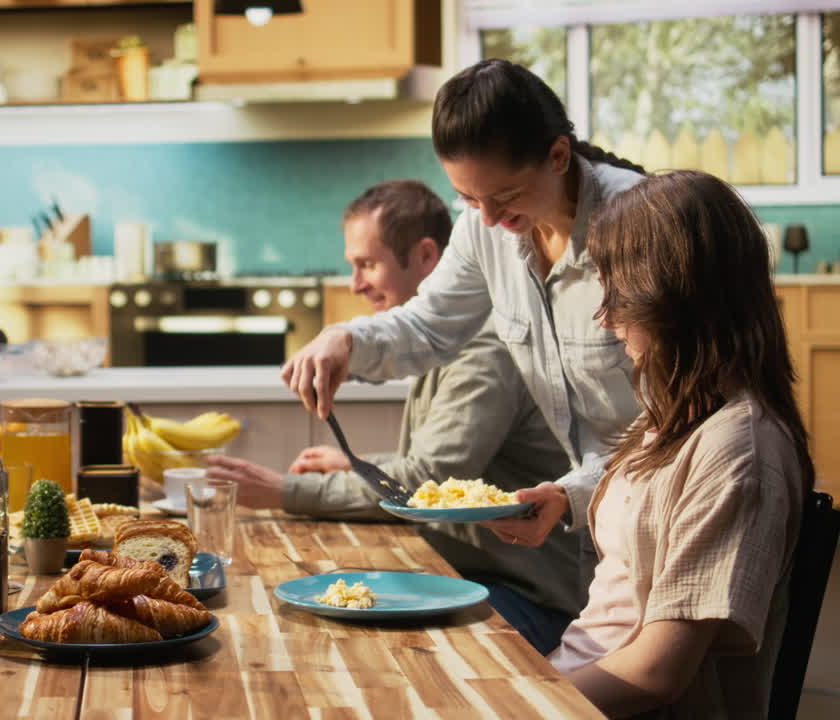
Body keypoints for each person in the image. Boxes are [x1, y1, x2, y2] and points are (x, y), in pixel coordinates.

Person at [280, 59, 644, 570]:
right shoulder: (485, 224)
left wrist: (577, 490)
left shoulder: (639, 223)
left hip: (661, 509)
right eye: (468, 198)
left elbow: (678, 414)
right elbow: (429, 325)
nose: (489, 218)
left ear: (559, 155)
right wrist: (347, 339)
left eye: (505, 196)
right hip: (587, 528)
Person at [207, 180, 582, 653]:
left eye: (367, 264)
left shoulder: (486, 346)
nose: (355, 283)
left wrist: (284, 491)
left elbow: (427, 477)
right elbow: (448, 473)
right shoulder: (443, 345)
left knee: (365, 652)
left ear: (427, 256)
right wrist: (356, 465)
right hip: (469, 576)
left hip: (525, 595)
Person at [549, 169, 811, 717]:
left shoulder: (739, 450)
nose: (605, 317)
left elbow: (656, 672)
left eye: (617, 292)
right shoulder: (676, 417)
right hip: (567, 690)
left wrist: (511, 703)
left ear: (674, 297)